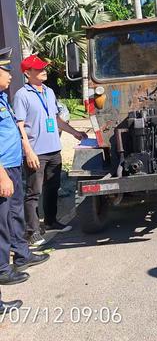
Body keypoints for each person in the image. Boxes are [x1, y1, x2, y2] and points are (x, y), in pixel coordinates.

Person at [13, 55, 87, 247]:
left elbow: (55, 118)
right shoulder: (22, 95)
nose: (44, 71)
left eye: (44, 68)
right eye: (39, 69)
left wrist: (74, 133)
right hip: (36, 152)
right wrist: (27, 150)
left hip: (54, 149)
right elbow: (19, 125)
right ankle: (32, 232)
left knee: (52, 187)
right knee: (33, 192)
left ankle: (51, 221)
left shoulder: (49, 91)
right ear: (28, 73)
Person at [0, 48, 49, 314]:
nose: (9, 74)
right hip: (3, 169)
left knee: (14, 213)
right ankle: (3, 268)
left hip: (12, 164)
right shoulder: (15, 96)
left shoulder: (2, 98)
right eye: (5, 70)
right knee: (3, 219)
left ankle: (21, 254)